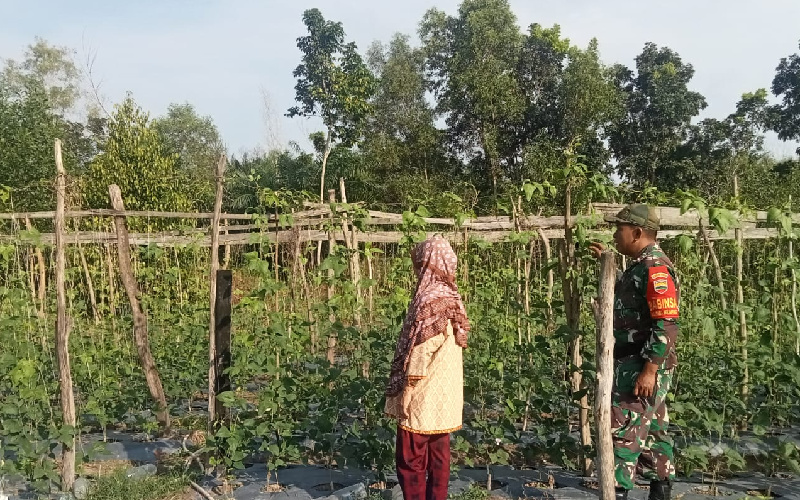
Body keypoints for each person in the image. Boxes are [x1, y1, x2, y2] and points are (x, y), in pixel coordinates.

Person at [589, 204, 679, 500]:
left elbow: (666, 323)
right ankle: (660, 491)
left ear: (637, 232)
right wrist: (608, 265)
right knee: (653, 436)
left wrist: (649, 370)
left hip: (640, 365)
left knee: (622, 436)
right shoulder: (640, 266)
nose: (615, 234)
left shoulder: (655, 268)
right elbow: (633, 307)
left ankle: (616, 492)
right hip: (638, 362)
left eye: (620, 229)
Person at [384, 235, 470, 500]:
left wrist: (407, 392)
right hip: (445, 399)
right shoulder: (453, 299)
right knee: (439, 458)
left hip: (423, 394)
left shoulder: (429, 302)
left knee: (411, 460)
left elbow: (421, 351)